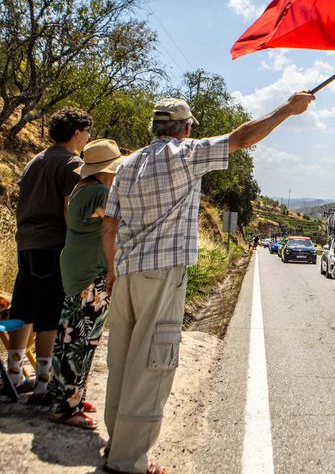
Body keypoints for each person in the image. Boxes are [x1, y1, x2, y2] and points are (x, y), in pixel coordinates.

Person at [102, 92, 314, 474]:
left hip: (125, 272)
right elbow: (241, 138)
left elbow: (109, 224)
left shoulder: (127, 164)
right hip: (162, 273)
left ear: (153, 127)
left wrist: (112, 269)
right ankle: (128, 461)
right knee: (151, 365)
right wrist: (287, 109)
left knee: (120, 361)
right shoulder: (185, 154)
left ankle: (116, 445)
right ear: (185, 129)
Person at [7, 107, 91, 403]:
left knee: (24, 308)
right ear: (77, 132)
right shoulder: (72, 163)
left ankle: (13, 376)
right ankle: (44, 383)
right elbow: (70, 208)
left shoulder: (36, 160)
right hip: (53, 244)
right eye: (87, 132)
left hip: (26, 242)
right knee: (49, 313)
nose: (88, 137)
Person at [47, 139, 123, 429]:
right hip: (90, 274)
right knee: (83, 340)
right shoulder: (99, 193)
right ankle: (67, 407)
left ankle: (66, 395)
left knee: (67, 335)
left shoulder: (81, 188)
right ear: (108, 170)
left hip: (75, 269)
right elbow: (120, 223)